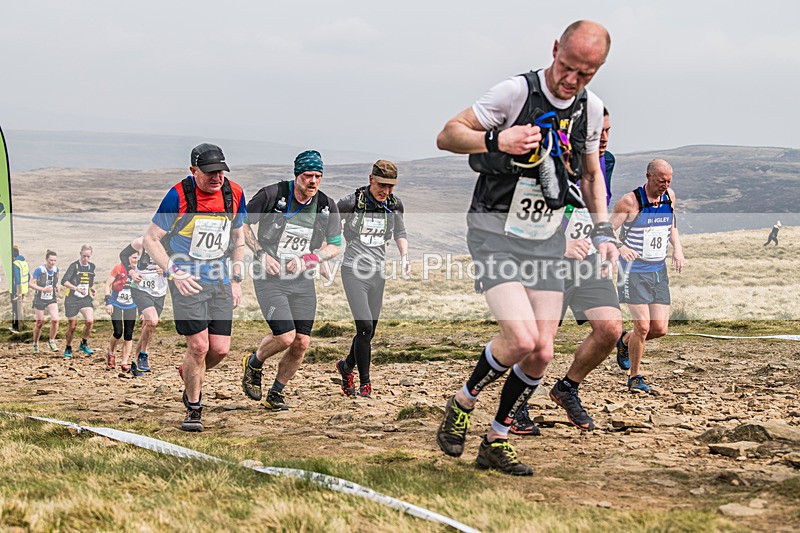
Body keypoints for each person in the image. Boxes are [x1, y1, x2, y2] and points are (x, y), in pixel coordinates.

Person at [434, 20, 617, 475]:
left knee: (542, 352)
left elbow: (591, 174)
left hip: (545, 236)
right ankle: (462, 403)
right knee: (520, 338)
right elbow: (448, 134)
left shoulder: (590, 110)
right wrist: (496, 138)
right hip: (494, 229)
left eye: (586, 74)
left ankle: (496, 439)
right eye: (567, 67)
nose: (572, 80)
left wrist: (603, 231)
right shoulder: (516, 92)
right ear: (555, 49)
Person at [511, 107, 621, 435]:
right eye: (597, 132)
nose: (603, 139)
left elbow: (596, 206)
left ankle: (567, 388)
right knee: (541, 341)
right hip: (549, 260)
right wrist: (561, 245)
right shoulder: (547, 161)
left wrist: (606, 239)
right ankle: (517, 403)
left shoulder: (607, 161)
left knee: (611, 329)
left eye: (608, 131)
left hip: (588, 262)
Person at [143, 143, 247, 432]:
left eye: (221, 172)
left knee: (220, 350)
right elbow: (151, 239)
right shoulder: (179, 195)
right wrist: (174, 272)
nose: (217, 178)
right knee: (199, 346)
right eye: (210, 172)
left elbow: (238, 239)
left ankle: (188, 371)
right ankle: (193, 407)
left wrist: (236, 279)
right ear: (193, 171)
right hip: (188, 282)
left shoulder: (233, 193)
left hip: (220, 280)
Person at [241, 150, 342, 410]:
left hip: (301, 280)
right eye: (308, 175)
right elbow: (240, 223)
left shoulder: (326, 206)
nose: (313, 181)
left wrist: (311, 260)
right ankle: (254, 362)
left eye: (318, 176)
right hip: (269, 277)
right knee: (285, 336)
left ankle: (276, 393)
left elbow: (335, 244)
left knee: (302, 341)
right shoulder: (272, 195)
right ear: (297, 175)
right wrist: (261, 254)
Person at [334, 160, 410, 398]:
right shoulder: (350, 203)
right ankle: (365, 383)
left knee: (369, 332)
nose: (385, 191)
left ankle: (346, 366)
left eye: (391, 186)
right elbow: (331, 227)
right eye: (382, 185)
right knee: (364, 326)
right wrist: (325, 254)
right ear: (371, 180)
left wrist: (405, 256)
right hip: (353, 271)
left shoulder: (394, 205)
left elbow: (400, 232)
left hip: (378, 273)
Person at [612, 159, 685, 394]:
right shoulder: (630, 202)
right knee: (642, 327)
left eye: (669, 181)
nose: (665, 185)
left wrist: (678, 249)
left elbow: (670, 225)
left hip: (658, 270)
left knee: (659, 329)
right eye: (661, 180)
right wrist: (621, 247)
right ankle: (635, 377)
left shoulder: (669, 197)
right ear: (648, 176)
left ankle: (624, 342)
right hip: (632, 271)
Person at [120, 236, 168, 373]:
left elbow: (179, 262)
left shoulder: (172, 242)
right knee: (152, 321)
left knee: (148, 327)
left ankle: (136, 362)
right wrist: (131, 272)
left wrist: (166, 270)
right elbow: (123, 254)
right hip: (140, 288)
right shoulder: (141, 242)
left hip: (159, 290)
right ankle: (144, 354)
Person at [60, 244, 97, 359]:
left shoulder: (92, 267)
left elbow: (89, 282)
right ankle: (68, 347)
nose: (86, 259)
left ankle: (84, 343)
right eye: (84, 256)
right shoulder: (74, 266)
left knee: (90, 321)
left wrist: (92, 289)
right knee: (72, 326)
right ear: (80, 254)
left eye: (88, 256)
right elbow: (64, 281)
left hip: (85, 297)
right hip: (72, 298)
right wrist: (76, 288)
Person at [104, 253, 139, 373]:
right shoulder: (119, 267)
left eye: (137, 258)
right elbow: (108, 284)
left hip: (131, 304)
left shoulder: (139, 269)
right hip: (116, 303)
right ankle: (111, 353)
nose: (136, 260)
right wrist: (108, 302)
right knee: (118, 332)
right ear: (128, 258)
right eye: (133, 257)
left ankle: (124, 362)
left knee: (128, 334)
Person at [30, 250, 60, 354]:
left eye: (54, 260)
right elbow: (31, 283)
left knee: (55, 320)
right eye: (51, 260)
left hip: (51, 298)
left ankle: (52, 341)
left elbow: (55, 281)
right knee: (40, 322)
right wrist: (42, 289)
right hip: (40, 298)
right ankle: (35, 343)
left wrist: (56, 287)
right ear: (46, 259)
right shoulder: (40, 270)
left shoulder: (56, 269)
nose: (52, 262)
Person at [10, 244, 29, 332]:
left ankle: (17, 326)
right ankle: (20, 325)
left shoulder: (15, 264)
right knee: (19, 307)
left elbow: (17, 279)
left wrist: (16, 293)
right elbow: (28, 276)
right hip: (24, 289)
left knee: (16, 308)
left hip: (17, 290)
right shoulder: (24, 262)